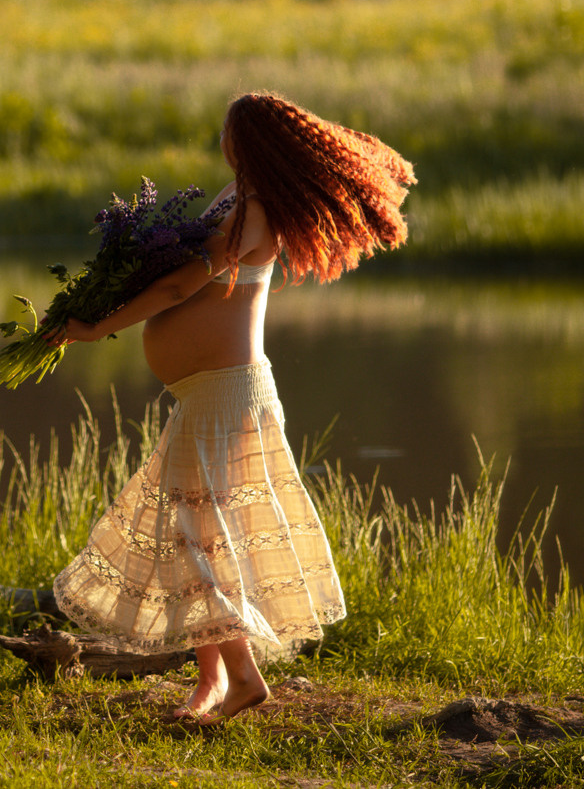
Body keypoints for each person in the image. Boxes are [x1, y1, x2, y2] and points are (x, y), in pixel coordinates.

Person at [44, 90, 416, 723]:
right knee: (193, 531)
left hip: (226, 394)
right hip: (208, 392)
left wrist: (98, 325)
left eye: (229, 131)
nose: (221, 139)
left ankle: (243, 679)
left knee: (193, 536)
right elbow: (175, 272)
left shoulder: (256, 212)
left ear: (250, 143)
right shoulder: (235, 196)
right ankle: (212, 680)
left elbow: (180, 286)